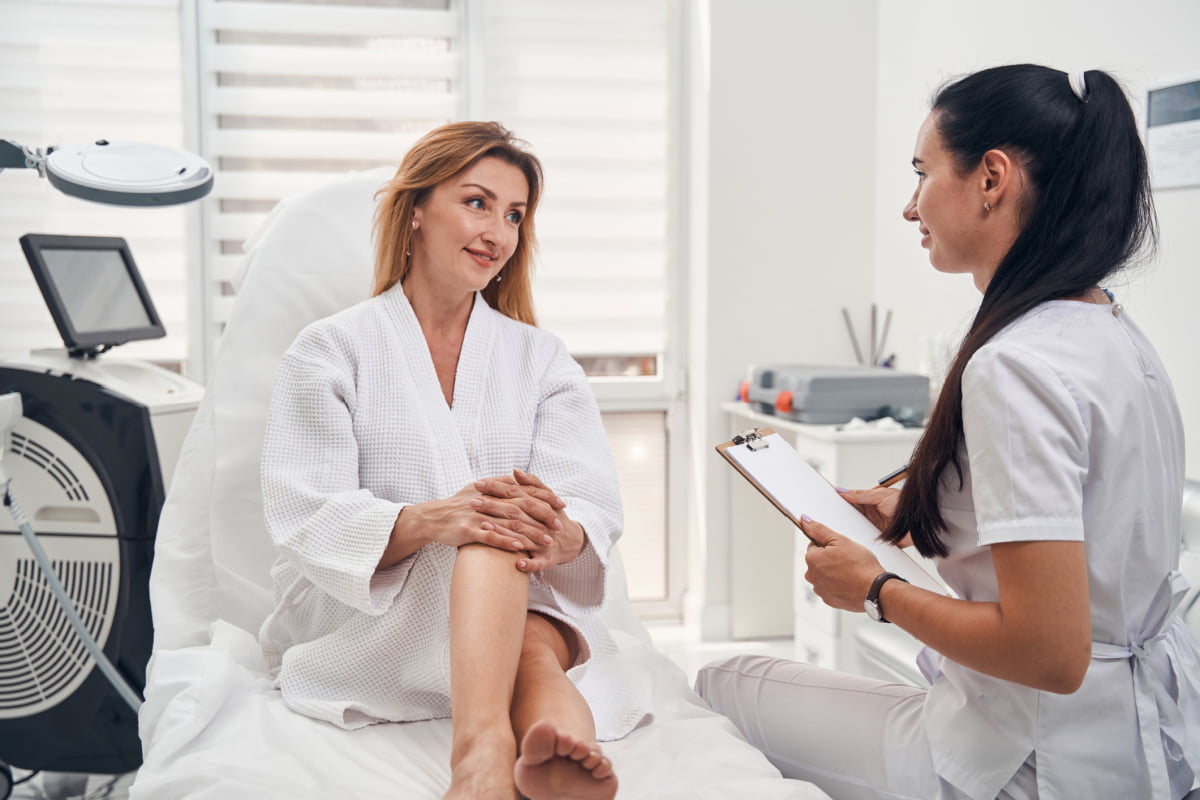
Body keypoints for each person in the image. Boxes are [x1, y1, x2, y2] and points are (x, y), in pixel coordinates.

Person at [696, 64, 1200, 799]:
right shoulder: (1111, 329)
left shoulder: (1014, 365)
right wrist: (927, 511)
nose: (910, 207)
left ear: (991, 178)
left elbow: (1051, 653)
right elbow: (1100, 530)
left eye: (922, 172)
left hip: (1034, 760)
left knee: (723, 682)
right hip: (1146, 741)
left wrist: (877, 590)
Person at [257, 121, 647, 800]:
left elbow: (589, 494)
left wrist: (566, 532)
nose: (497, 230)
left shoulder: (541, 358)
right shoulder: (329, 351)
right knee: (492, 538)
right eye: (477, 202)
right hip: (382, 616)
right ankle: (519, 743)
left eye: (515, 214)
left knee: (503, 546)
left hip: (524, 597)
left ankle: (509, 757)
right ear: (415, 212)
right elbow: (306, 512)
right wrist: (438, 521)